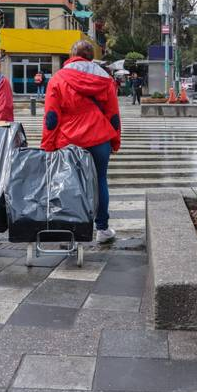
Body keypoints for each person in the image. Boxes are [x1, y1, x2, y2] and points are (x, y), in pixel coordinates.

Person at [41, 40, 121, 244]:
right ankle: (102, 229)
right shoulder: (105, 78)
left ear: (71, 54)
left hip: (69, 139)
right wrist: (115, 140)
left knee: (68, 184)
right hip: (99, 136)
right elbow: (113, 114)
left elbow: (51, 117)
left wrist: (48, 145)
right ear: (91, 56)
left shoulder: (58, 78)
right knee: (100, 180)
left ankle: (70, 230)